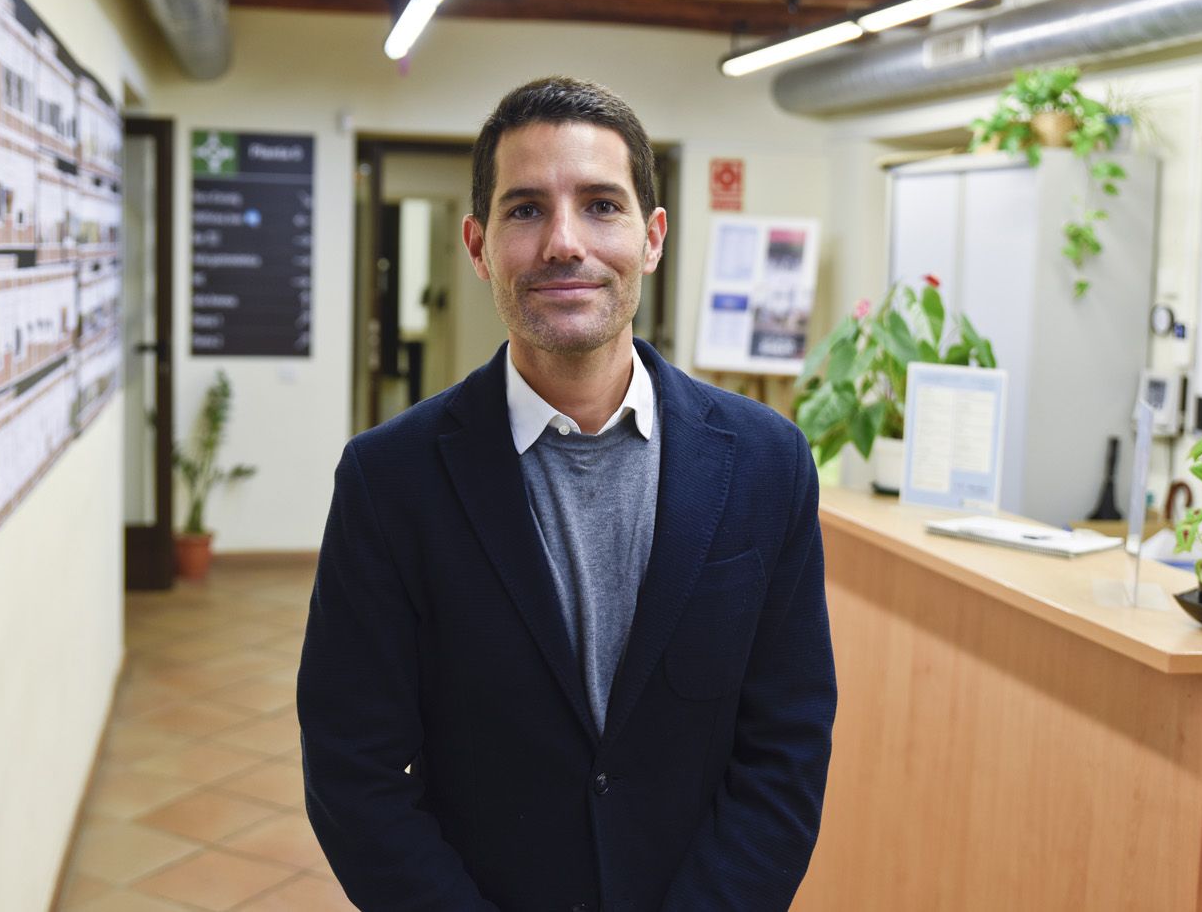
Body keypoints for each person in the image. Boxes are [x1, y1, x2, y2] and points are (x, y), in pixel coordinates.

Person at [297, 76, 836, 911]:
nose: (563, 241)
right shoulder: (388, 480)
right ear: (477, 246)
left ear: (652, 237)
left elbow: (787, 745)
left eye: (601, 206)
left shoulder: (768, 464)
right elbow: (351, 769)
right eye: (524, 210)